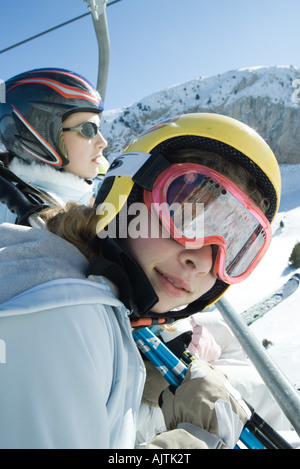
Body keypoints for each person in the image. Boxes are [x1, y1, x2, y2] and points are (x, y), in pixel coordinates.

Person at [0, 113, 281, 449]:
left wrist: (132, 365)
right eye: (186, 216)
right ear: (126, 193)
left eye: (233, 246)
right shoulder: (59, 317)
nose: (204, 260)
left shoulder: (90, 291)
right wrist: (190, 445)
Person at [0, 67, 108, 224]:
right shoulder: (23, 222)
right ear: (40, 136)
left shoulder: (76, 199)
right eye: (88, 129)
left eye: (99, 129)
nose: (103, 143)